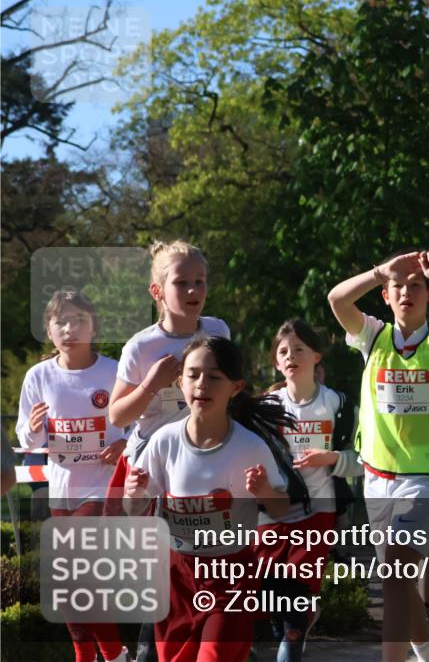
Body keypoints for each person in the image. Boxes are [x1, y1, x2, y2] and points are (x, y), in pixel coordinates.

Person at [124, 336, 291, 662]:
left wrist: (264, 492)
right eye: (194, 375)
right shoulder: (164, 441)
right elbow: (134, 507)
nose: (202, 384)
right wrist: (134, 493)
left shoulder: (250, 447)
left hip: (231, 575)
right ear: (180, 382)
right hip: (177, 576)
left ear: (235, 387)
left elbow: (281, 507)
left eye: (215, 377)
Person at [327, 249, 429, 662]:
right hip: (377, 476)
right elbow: (337, 299)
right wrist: (379, 270)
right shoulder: (373, 336)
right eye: (397, 286)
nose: (406, 292)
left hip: (427, 478)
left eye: (416, 285)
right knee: (397, 581)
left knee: (399, 569)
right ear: (385, 295)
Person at [108, 239, 230, 662]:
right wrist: (152, 384)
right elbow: (118, 415)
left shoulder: (218, 332)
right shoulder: (141, 347)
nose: (194, 290)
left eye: (201, 281)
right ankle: (152, 649)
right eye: (182, 282)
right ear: (157, 291)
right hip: (158, 473)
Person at [16, 290, 130, 662]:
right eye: (61, 321)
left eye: (78, 320)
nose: (70, 328)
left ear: (93, 326)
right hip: (62, 486)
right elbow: (26, 436)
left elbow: (141, 423)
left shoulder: (114, 372)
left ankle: (105, 654)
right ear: (49, 330)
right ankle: (102, 653)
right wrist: (33, 430)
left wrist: (124, 444)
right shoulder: (39, 376)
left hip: (102, 486)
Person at [257, 319, 364, 662]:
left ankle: (294, 636)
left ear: (316, 356)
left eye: (299, 349)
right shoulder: (266, 408)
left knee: (297, 595)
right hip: (271, 511)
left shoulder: (339, 405)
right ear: (276, 362)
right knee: (269, 590)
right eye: (284, 351)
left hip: (318, 512)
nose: (291, 356)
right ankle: (295, 620)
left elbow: (367, 459)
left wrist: (331, 458)